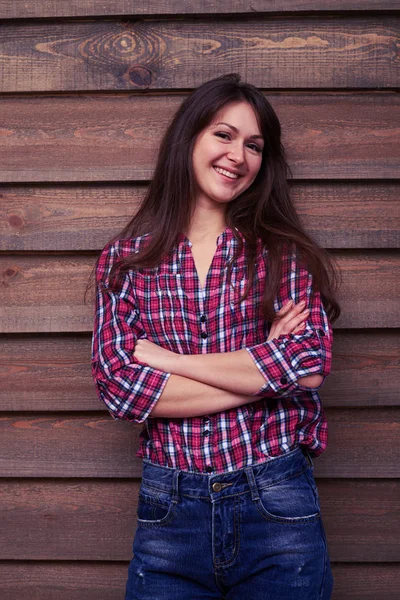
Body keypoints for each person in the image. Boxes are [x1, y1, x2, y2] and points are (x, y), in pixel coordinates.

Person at [89, 73, 341, 599]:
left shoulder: (282, 253)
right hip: (168, 511)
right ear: (190, 140)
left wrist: (166, 360)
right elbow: (120, 388)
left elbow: (309, 365)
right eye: (224, 135)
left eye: (254, 145)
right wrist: (266, 366)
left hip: (277, 501)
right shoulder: (126, 262)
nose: (239, 156)